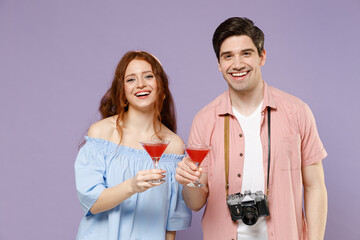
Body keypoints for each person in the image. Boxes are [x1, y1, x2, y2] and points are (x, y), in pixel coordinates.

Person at [175, 17, 327, 240]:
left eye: (246, 53)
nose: (237, 64)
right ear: (219, 64)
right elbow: (195, 203)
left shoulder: (297, 111)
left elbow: (315, 187)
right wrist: (188, 182)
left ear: (262, 56)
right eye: (228, 56)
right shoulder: (204, 120)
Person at [75, 51, 191, 240]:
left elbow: (172, 221)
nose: (141, 84)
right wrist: (132, 186)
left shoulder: (174, 146)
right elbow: (92, 202)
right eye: (131, 79)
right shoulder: (101, 133)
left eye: (148, 76)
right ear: (122, 91)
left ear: (161, 85)